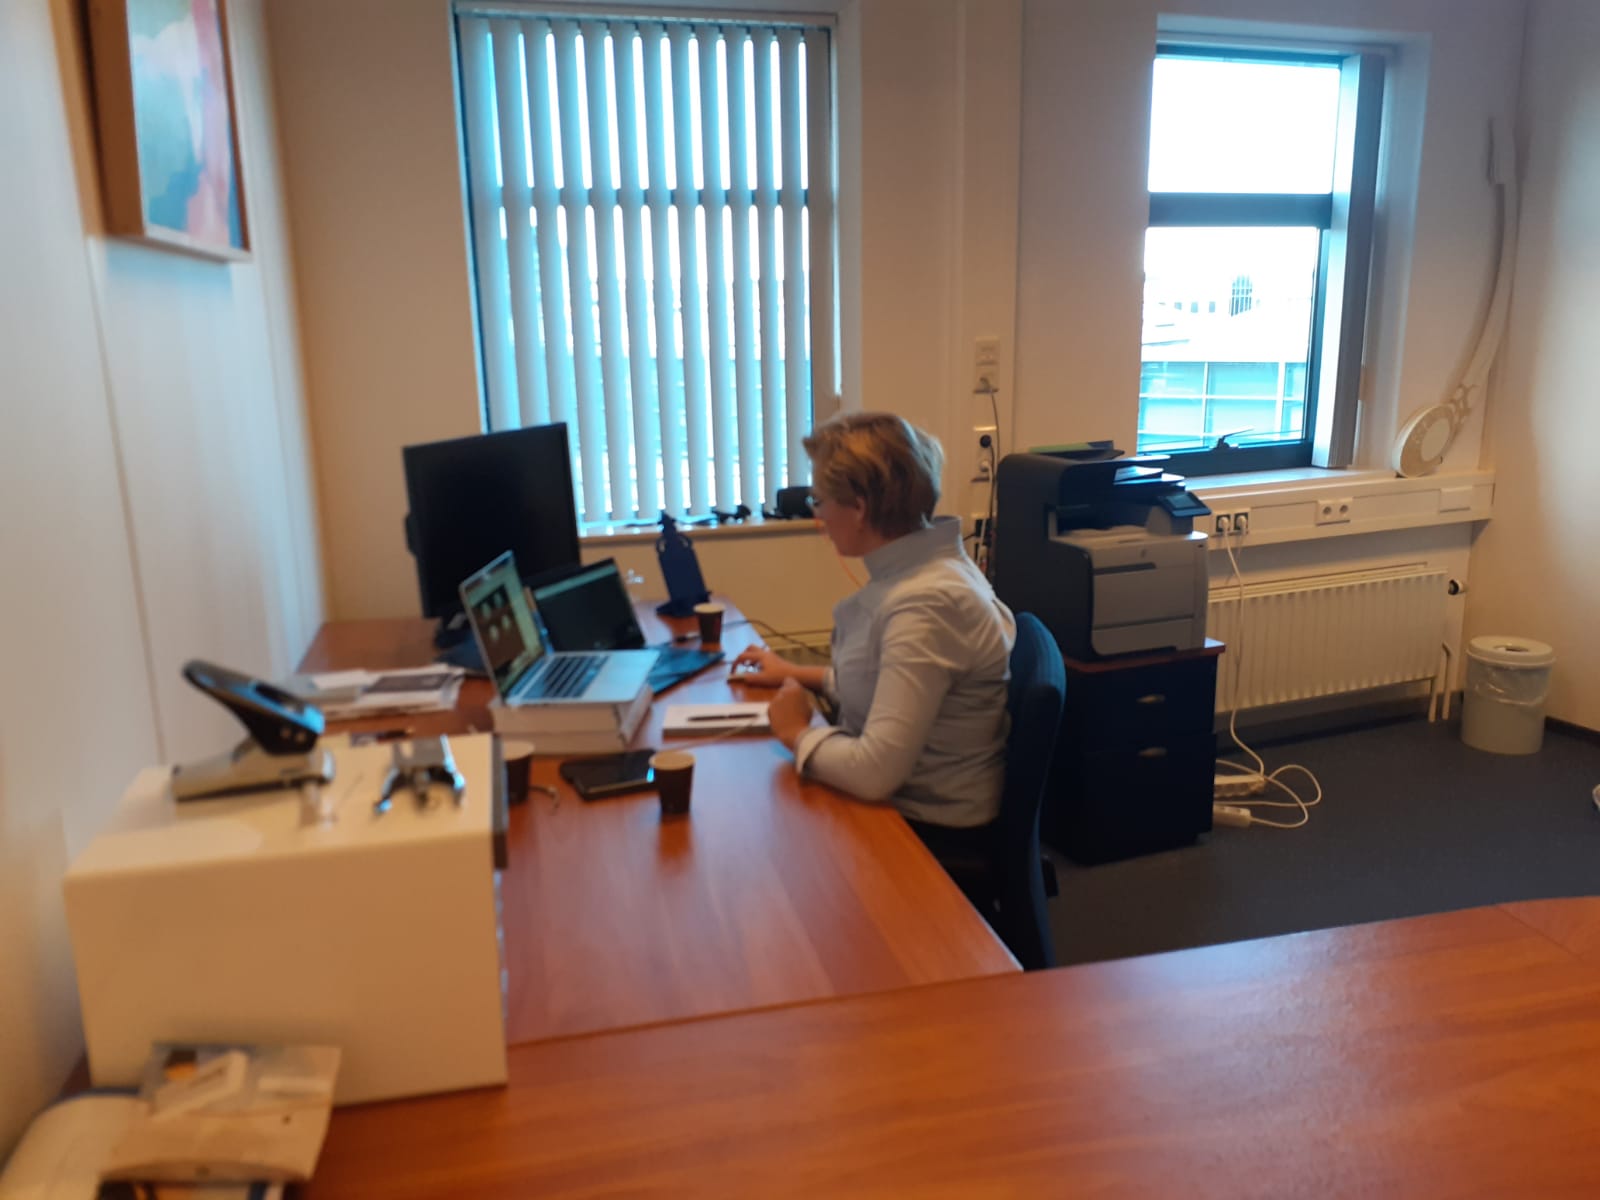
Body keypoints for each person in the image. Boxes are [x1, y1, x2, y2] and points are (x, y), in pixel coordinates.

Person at [733, 412, 1016, 834]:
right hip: (904, 804)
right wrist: (794, 673)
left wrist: (795, 732)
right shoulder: (930, 571)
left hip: (928, 830)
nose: (818, 516)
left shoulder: (928, 604)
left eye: (819, 501)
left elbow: (874, 773)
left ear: (860, 508)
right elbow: (883, 685)